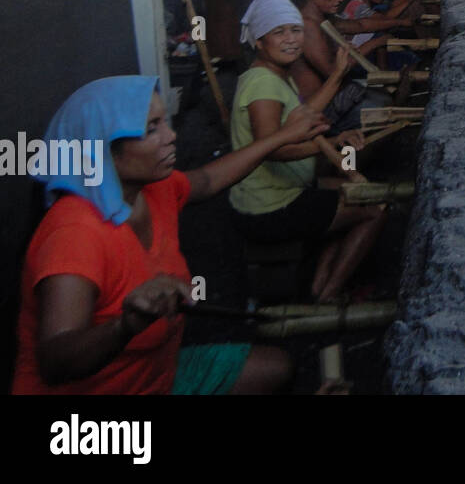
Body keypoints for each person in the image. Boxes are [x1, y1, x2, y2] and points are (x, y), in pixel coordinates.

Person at [12, 75, 327, 394]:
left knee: (277, 366)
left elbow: (207, 179)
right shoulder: (74, 233)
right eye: (151, 128)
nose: (171, 136)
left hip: (155, 377)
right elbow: (56, 361)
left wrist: (282, 136)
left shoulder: (151, 190)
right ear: (101, 148)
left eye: (165, 122)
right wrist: (125, 326)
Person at [229, 0, 386, 303]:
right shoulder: (262, 84)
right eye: (279, 32)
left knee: (351, 190)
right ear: (259, 41)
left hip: (279, 193)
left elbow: (304, 118)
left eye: (295, 30)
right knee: (375, 207)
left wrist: (338, 76)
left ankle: (319, 283)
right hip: (270, 207)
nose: (291, 39)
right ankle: (330, 292)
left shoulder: (275, 75)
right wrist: (327, 144)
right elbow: (272, 149)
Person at [295, 0, 410, 127]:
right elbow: (333, 71)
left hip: (336, 91)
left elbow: (359, 25)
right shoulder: (308, 26)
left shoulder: (324, 18)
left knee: (384, 95)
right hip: (319, 108)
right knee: (383, 103)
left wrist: (400, 22)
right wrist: (373, 44)